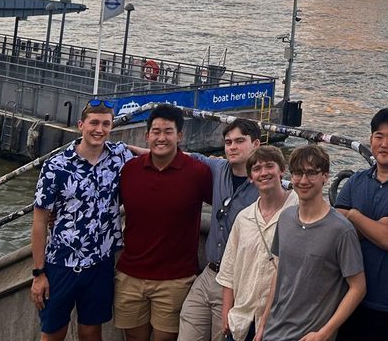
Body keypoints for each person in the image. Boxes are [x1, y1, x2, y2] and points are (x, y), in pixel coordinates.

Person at [31, 100, 135, 341]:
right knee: (53, 332)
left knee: (91, 331)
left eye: (106, 124)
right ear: (81, 125)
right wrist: (38, 274)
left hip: (100, 263)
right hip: (60, 264)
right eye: (94, 123)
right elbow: (39, 222)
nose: (99, 129)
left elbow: (150, 157)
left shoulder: (119, 157)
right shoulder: (56, 166)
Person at [116, 105, 213, 341]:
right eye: (156, 131)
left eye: (168, 132)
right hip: (130, 275)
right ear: (146, 135)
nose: (161, 138)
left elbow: (225, 208)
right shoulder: (129, 170)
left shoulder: (198, 172)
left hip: (176, 279)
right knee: (133, 338)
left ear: (180, 136)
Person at [256, 145, 365, 341]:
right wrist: (264, 321)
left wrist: (325, 333)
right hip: (274, 330)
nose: (303, 180)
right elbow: (280, 272)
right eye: (298, 173)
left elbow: (358, 287)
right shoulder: (286, 218)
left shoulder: (341, 230)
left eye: (311, 173)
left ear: (325, 176)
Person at [336, 108, 388, 341]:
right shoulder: (357, 180)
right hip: (348, 293)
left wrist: (354, 217)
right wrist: (374, 225)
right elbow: (335, 231)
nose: (384, 144)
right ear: (370, 140)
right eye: (378, 137)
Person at [180, 119, 263, 341]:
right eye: (228, 142)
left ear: (256, 144)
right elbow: (184, 157)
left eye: (239, 141)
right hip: (209, 273)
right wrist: (137, 151)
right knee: (187, 330)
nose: (232, 147)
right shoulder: (219, 168)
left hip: (238, 283)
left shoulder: (265, 184)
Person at [217, 146, 297, 341]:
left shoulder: (298, 211)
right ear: (250, 177)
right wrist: (227, 311)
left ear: (281, 170)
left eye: (270, 166)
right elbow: (229, 269)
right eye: (257, 169)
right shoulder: (244, 218)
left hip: (281, 321)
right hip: (243, 318)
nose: (264, 173)